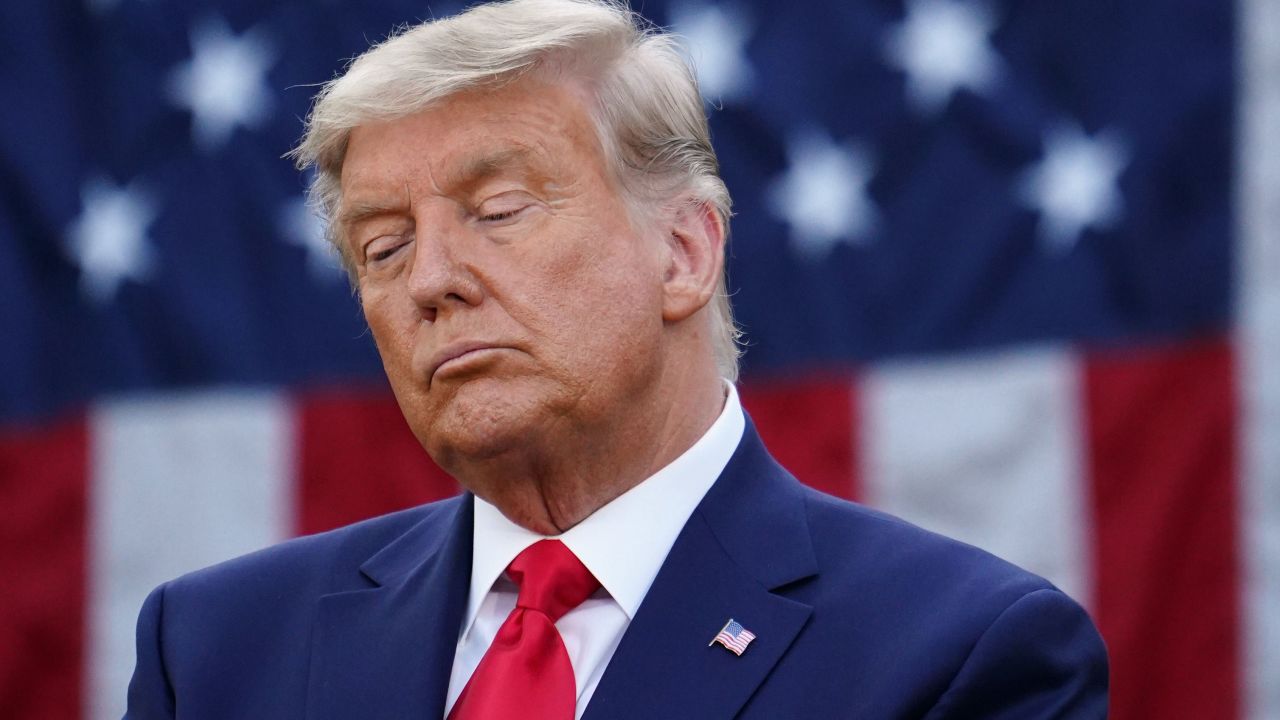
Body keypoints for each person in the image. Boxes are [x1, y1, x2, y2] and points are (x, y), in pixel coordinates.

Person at [125, 0, 1108, 717]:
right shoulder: (212, 654)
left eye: (498, 213)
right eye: (381, 248)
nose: (430, 280)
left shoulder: (959, 658)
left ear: (682, 252)